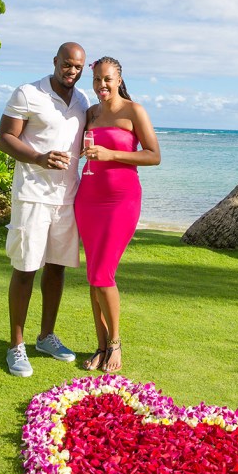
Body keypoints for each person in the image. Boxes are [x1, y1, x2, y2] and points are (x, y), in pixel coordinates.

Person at [0, 42, 89, 377]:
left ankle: (46, 337)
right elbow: (5, 137)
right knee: (25, 268)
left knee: (57, 268)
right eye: (67, 64)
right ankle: (16, 346)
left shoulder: (81, 101)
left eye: (78, 67)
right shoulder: (27, 93)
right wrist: (38, 157)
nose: (72, 71)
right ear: (55, 61)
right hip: (32, 196)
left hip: (67, 198)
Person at [74, 56, 161, 373]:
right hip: (88, 198)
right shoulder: (91, 113)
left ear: (119, 78)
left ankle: (115, 344)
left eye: (107, 79)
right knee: (93, 276)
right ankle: (99, 346)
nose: (101, 85)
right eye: (96, 79)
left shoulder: (134, 111)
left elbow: (154, 156)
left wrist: (111, 154)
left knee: (103, 274)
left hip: (121, 200)